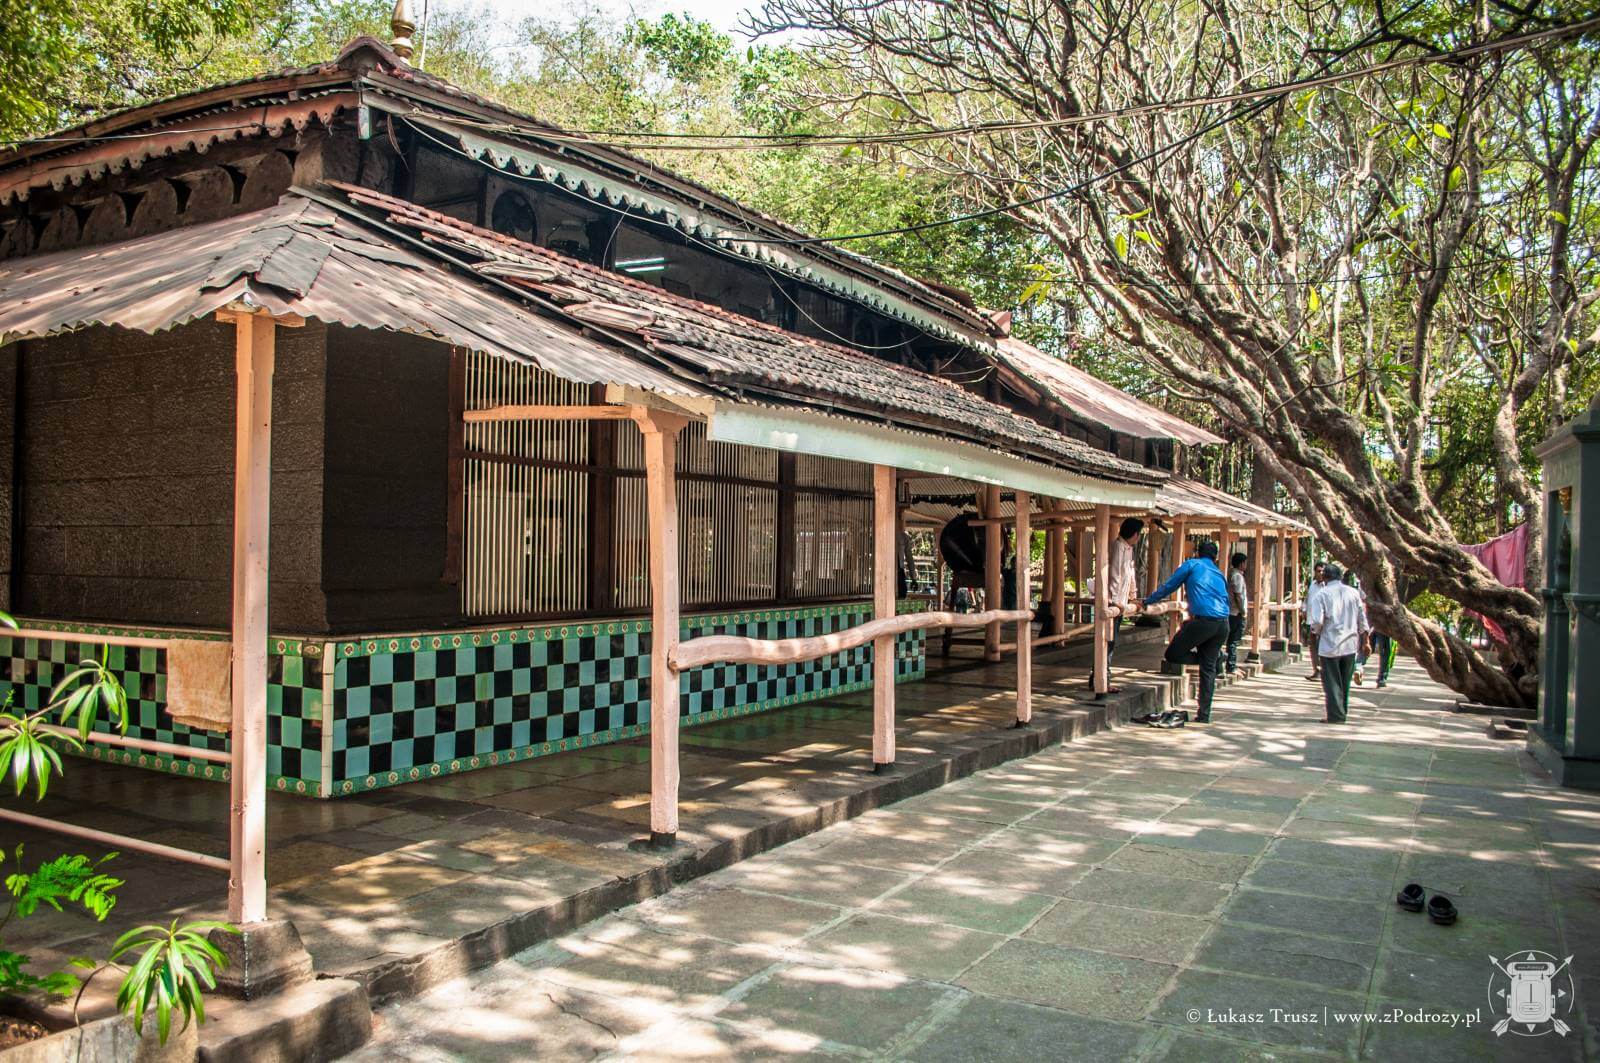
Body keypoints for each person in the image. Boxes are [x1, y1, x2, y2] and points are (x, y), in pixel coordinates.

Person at [1145, 539, 1231, 723]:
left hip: (1203, 621)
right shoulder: (1219, 573)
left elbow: (1170, 586)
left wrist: (1148, 601)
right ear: (1215, 557)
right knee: (1208, 669)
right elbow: (1226, 600)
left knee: (1173, 654)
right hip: (1223, 624)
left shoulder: (1192, 565)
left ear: (1197, 553)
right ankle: (1204, 715)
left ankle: (1214, 659)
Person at [1307, 562, 1370, 724]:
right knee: (1344, 682)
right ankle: (1342, 711)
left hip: (1330, 644)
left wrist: (1315, 632)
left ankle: (1336, 715)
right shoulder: (1353, 593)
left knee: (1332, 682)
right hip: (1350, 644)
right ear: (1340, 577)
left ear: (1325, 577)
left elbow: (1317, 621)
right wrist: (1366, 640)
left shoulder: (1322, 595)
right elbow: (1362, 618)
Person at [1103, 517, 1144, 692]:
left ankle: (1101, 677)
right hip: (1114, 603)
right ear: (1134, 534)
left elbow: (1130, 575)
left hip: (1121, 603)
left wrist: (1133, 597)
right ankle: (1102, 679)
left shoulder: (1128, 549)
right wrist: (1115, 601)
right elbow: (1115, 574)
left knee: (1111, 642)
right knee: (1108, 642)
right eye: (1138, 534)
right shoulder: (1118, 546)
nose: (1138, 537)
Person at [1303, 562, 1328, 681]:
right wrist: (1304, 610)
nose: (1321, 573)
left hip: (1323, 623)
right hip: (1311, 621)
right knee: (1313, 647)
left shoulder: (1327, 587)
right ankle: (1316, 670)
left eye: (1323, 571)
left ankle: (1323, 671)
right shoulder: (1312, 585)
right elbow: (1307, 599)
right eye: (1318, 571)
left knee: (1322, 648)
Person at [1225, 552, 1249, 674]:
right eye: (1245, 563)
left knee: (1232, 640)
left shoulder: (1233, 574)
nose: (1246, 565)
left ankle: (1231, 664)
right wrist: (1243, 611)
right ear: (1241, 564)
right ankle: (1231, 665)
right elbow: (1238, 596)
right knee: (1233, 640)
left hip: (1233, 612)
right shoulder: (1237, 576)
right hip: (1235, 612)